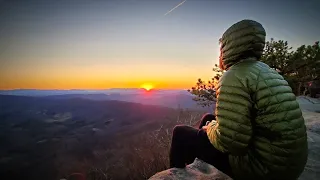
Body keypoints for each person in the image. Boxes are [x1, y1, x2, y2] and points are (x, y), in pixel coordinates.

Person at [169, 19, 308, 180]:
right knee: (208, 118)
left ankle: (176, 176)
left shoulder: (235, 75)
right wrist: (212, 126)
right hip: (286, 163)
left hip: (264, 169)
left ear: (229, 48)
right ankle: (198, 168)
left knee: (180, 133)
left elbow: (230, 143)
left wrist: (210, 129)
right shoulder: (266, 70)